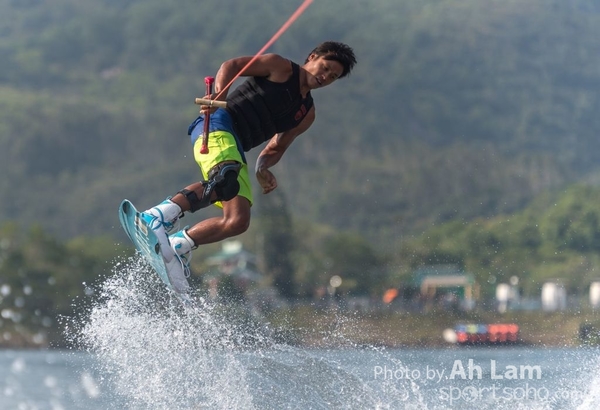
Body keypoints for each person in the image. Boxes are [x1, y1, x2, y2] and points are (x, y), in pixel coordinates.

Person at [141, 41, 357, 289]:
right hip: (217, 125)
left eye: (333, 76)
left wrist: (262, 167)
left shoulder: (306, 114)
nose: (325, 76)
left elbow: (277, 147)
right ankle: (157, 216)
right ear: (313, 56)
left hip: (236, 151)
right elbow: (232, 66)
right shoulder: (281, 67)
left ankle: (178, 246)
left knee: (237, 221)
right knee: (225, 177)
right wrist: (219, 95)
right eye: (325, 67)